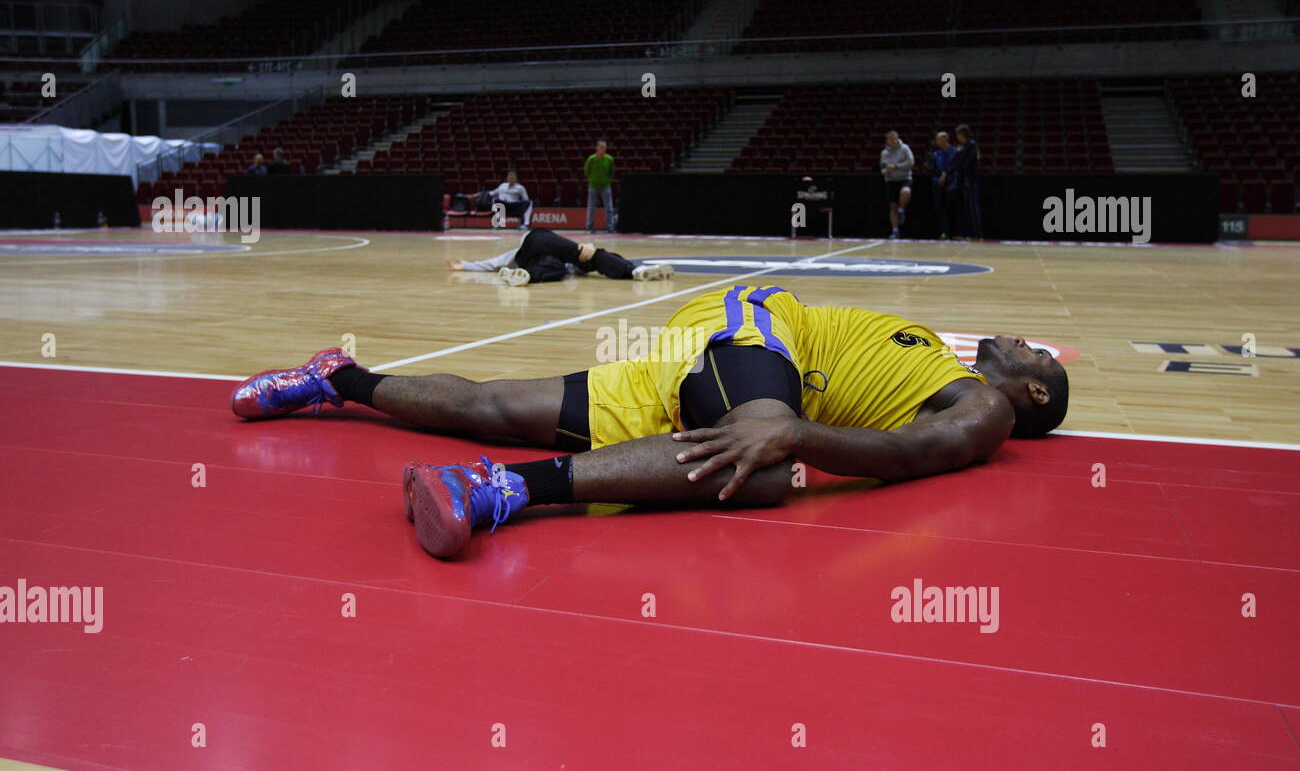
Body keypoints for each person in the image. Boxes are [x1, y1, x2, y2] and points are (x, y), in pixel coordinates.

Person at [231, 287, 1069, 559]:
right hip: (754, 334)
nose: (1017, 342)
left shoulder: (986, 410)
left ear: (1034, 394)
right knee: (765, 470)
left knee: (494, 405)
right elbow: (793, 431)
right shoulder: (943, 364)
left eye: (1033, 353)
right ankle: (499, 489)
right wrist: (786, 431)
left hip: (710, 369)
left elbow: (912, 455)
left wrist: (797, 430)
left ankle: (337, 380)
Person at [446, 226, 673, 286]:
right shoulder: (515, 253)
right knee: (586, 254)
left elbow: (492, 265)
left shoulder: (565, 265)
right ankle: (632, 269)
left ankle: (635, 272)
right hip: (534, 242)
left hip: (543, 263)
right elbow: (492, 264)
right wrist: (466, 265)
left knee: (559, 268)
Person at [949, 124, 983, 241]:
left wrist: (960, 154)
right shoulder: (963, 146)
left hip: (971, 180)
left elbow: (966, 163)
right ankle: (968, 233)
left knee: (973, 207)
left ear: (962, 135)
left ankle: (977, 234)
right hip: (964, 181)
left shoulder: (971, 145)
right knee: (966, 208)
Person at [880, 131, 914, 239]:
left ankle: (901, 210)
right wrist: (885, 171)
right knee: (892, 206)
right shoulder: (884, 153)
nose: (894, 141)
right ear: (887, 140)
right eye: (891, 139)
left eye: (895, 138)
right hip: (891, 180)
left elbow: (911, 162)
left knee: (905, 192)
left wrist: (896, 166)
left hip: (904, 178)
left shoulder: (905, 148)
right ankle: (895, 230)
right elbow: (882, 167)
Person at [584, 140, 616, 233]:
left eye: (605, 148)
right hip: (593, 186)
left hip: (606, 186)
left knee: (609, 208)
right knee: (591, 208)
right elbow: (587, 171)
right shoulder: (591, 159)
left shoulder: (609, 159)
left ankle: (610, 227)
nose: (603, 149)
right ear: (597, 148)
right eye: (601, 148)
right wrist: (592, 179)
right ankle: (589, 227)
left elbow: (611, 172)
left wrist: (607, 180)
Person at [928, 132, 955, 239]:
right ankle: (944, 232)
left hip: (952, 184)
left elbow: (955, 167)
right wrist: (938, 180)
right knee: (939, 208)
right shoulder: (936, 154)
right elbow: (934, 170)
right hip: (938, 185)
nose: (936, 142)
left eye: (938, 139)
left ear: (945, 139)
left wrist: (946, 175)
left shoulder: (954, 152)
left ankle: (954, 232)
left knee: (951, 208)